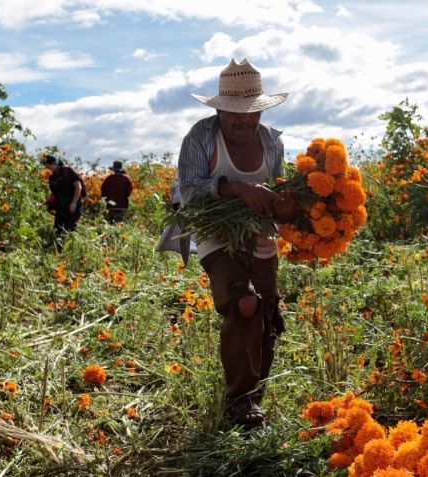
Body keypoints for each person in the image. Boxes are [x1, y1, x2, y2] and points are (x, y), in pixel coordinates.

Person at [177, 58, 294, 429]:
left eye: (251, 116)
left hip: (261, 237)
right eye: (236, 117)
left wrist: (286, 205)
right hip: (217, 235)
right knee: (244, 304)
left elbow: (278, 190)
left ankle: (255, 394)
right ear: (221, 110)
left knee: (267, 311)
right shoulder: (201, 137)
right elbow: (190, 192)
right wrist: (236, 189)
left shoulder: (271, 141)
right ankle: (239, 401)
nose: (245, 123)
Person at [43, 154, 83, 251]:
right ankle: (59, 251)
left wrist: (73, 203)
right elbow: (55, 194)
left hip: (72, 204)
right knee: (58, 228)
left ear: (54, 163)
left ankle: (74, 250)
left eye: (48, 165)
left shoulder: (67, 171)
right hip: (61, 205)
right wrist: (49, 204)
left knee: (70, 228)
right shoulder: (52, 177)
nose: (46, 168)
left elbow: (78, 186)